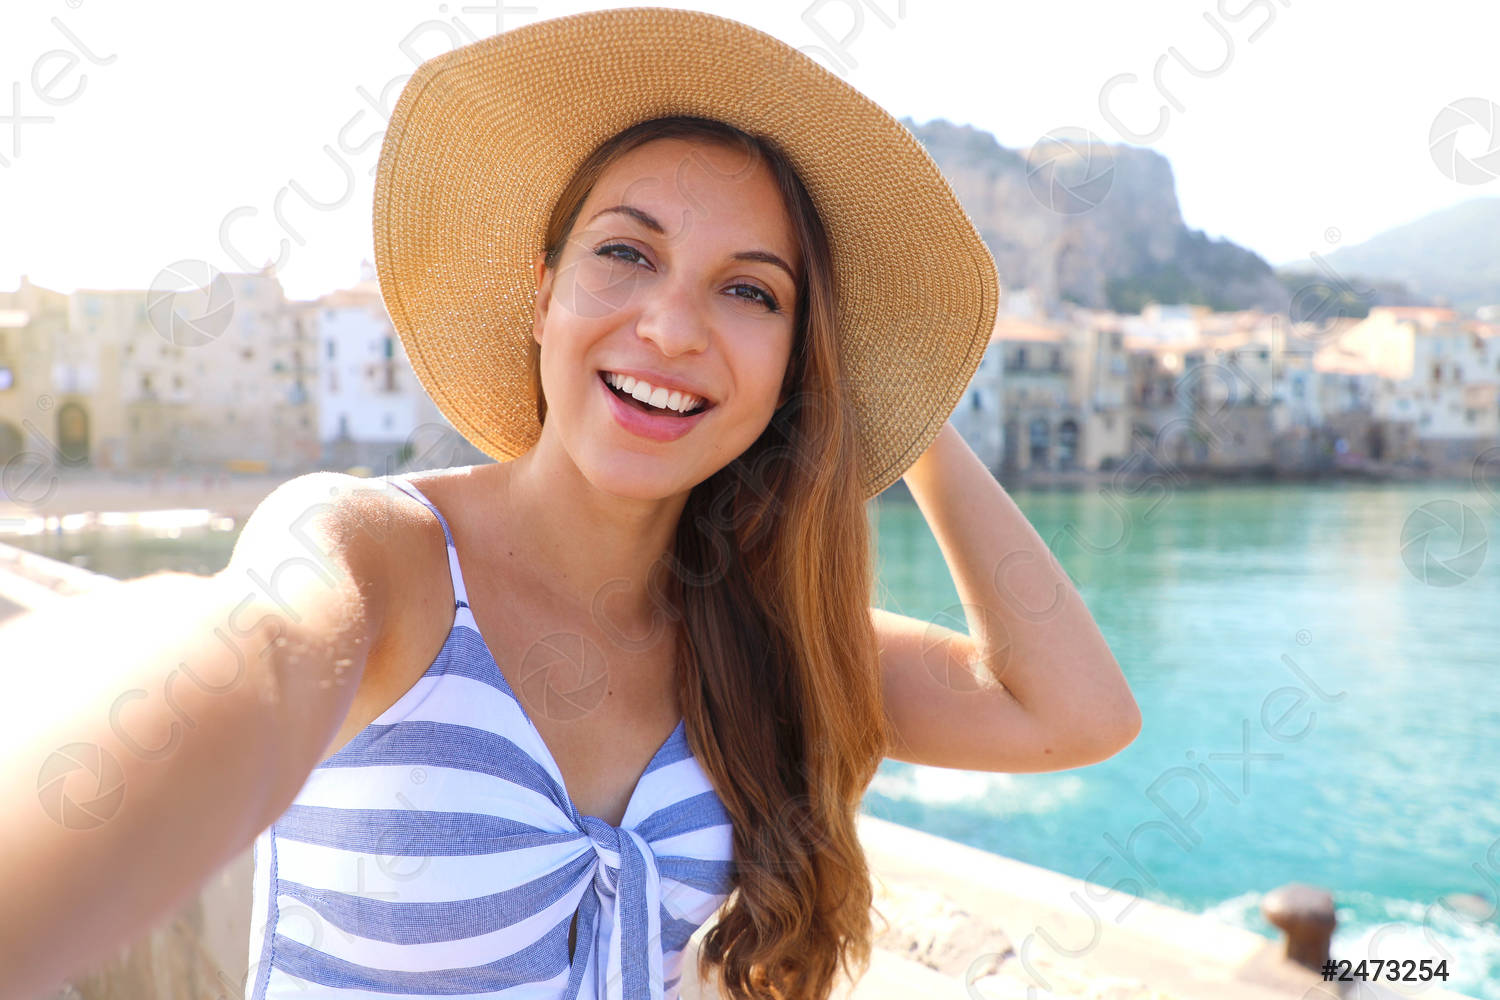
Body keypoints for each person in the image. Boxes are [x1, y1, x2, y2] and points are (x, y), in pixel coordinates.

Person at [0, 8, 1140, 1000]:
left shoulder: (762, 635)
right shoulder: (381, 556)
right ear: (542, 295)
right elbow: (229, 658)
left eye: (751, 291)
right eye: (626, 255)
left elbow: (1072, 711)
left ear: (801, 360)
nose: (674, 329)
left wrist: (899, 394)